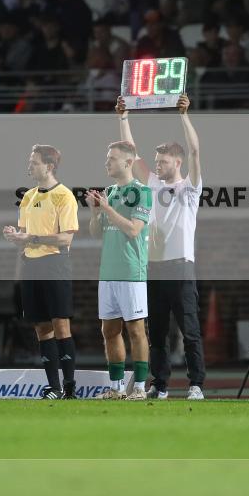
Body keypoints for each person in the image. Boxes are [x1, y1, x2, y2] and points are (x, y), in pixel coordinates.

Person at [115, 93, 206, 400]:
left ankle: (195, 385)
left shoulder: (190, 189)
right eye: (157, 161)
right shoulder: (152, 183)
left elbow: (195, 149)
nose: (158, 164)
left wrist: (183, 115)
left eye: (163, 161)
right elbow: (130, 154)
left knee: (190, 331)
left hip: (181, 265)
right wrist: (123, 117)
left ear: (176, 162)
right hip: (153, 267)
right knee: (157, 333)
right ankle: (162, 385)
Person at [3, 145, 79, 399]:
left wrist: (32, 238)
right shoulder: (28, 197)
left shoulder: (64, 196)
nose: (29, 166)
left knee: (60, 324)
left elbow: (66, 239)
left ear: (49, 166)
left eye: (34, 162)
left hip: (54, 264)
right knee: (41, 327)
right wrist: (16, 237)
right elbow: (25, 236)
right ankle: (54, 387)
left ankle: (69, 386)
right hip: (31, 265)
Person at [87, 142, 153, 400]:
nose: (107, 163)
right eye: (107, 158)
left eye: (112, 159)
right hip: (108, 273)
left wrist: (106, 208)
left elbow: (134, 229)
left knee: (136, 329)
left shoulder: (142, 191)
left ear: (128, 162)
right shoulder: (110, 192)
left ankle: (138, 387)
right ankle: (115, 388)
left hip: (131, 271)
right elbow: (96, 233)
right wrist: (95, 212)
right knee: (109, 330)